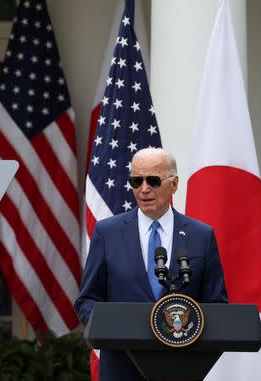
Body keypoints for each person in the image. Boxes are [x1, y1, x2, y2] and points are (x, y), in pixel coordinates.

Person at [75, 148, 227, 381]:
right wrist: (111, 327)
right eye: (137, 181)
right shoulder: (108, 233)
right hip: (121, 368)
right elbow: (87, 300)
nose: (144, 189)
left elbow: (217, 304)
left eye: (153, 181)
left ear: (174, 184)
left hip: (180, 367)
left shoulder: (201, 235)